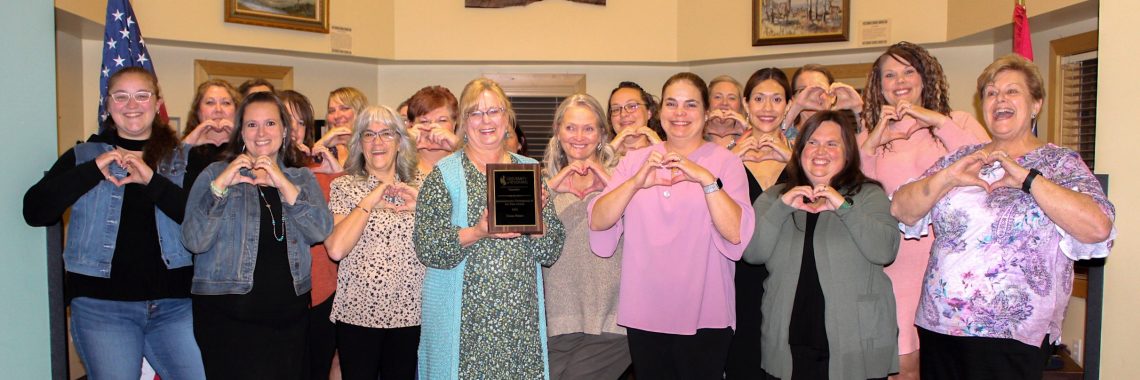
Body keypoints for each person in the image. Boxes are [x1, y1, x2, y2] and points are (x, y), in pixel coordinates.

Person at [891, 54, 1116, 380]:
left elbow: (1097, 227)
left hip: (1012, 332)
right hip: (941, 324)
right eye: (991, 93)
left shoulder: (1059, 163)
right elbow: (900, 208)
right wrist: (948, 177)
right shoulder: (960, 159)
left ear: (1036, 103)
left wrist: (1028, 180)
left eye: (1013, 92)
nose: (1000, 100)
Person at [23, 67, 206, 379]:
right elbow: (36, 211)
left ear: (157, 101)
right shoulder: (83, 155)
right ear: (107, 105)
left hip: (175, 308)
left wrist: (153, 182)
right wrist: (91, 170)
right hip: (102, 310)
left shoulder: (186, 158)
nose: (131, 104)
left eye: (142, 95)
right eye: (120, 96)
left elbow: (204, 223)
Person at [589, 72, 754, 379]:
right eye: (672, 104)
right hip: (646, 310)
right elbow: (599, 220)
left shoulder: (726, 163)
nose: (680, 113)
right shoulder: (635, 161)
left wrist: (705, 178)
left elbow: (735, 232)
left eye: (690, 104)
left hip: (706, 312)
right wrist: (637, 182)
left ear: (705, 112)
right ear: (659, 111)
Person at [413, 78, 566, 379]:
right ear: (463, 122)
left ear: (507, 118)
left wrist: (537, 221)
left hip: (518, 323)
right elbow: (427, 246)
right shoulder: (444, 175)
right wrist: (478, 231)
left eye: (493, 111)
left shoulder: (528, 170)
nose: (486, 121)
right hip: (464, 323)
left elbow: (552, 249)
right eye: (475, 113)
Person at [856, 41, 991, 380]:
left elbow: (983, 163)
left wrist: (932, 119)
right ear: (878, 84)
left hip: (953, 259)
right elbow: (859, 193)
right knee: (903, 362)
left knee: (950, 363)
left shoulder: (957, 121)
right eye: (889, 74)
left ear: (925, 77)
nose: (899, 81)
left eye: (908, 71)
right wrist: (873, 137)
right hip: (897, 262)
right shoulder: (869, 135)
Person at [183, 91, 334, 379]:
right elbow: (193, 240)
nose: (261, 133)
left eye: (270, 124)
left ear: (285, 130)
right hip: (226, 323)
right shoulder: (215, 173)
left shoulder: (302, 178)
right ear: (241, 132)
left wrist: (281, 181)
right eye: (252, 125)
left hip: (288, 322)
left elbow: (320, 231)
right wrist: (220, 187)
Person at [745, 110, 900, 380]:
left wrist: (843, 206)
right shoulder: (775, 197)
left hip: (855, 342)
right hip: (791, 343)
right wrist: (782, 208)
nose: (821, 151)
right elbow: (753, 254)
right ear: (800, 149)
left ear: (848, 153)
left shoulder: (868, 195)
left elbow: (885, 250)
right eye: (812, 142)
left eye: (832, 143)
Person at [325, 106, 423, 380]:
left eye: (386, 134)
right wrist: (371, 198)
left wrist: (420, 207)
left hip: (410, 313)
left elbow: (442, 241)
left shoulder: (422, 186)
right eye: (369, 134)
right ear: (359, 144)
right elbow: (336, 248)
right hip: (357, 313)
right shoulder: (344, 187)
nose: (377, 142)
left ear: (400, 142)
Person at [540, 94, 629, 379]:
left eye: (589, 128)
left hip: (613, 322)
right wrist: (552, 187)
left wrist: (610, 183)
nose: (579, 137)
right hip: (555, 321)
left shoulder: (626, 178)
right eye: (570, 127)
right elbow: (516, 234)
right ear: (558, 132)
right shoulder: (539, 183)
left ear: (602, 133)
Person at [724, 67, 794, 379]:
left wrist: (794, 163)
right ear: (745, 103)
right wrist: (730, 162)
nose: (767, 108)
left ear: (788, 105)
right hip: (739, 273)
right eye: (759, 99)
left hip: (792, 272)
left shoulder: (807, 155)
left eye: (776, 99)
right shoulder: (723, 154)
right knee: (744, 361)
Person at [280, 89, 344, 380]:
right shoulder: (256, 172)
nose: (294, 129)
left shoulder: (324, 170)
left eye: (301, 123)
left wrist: (337, 175)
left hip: (321, 293)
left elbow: (345, 228)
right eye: (285, 120)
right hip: (276, 297)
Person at [783, 64, 862, 142]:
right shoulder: (785, 137)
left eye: (820, 89)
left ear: (833, 97)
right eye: (803, 90)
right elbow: (774, 141)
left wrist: (859, 110)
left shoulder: (844, 138)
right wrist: (795, 109)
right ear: (793, 99)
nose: (812, 96)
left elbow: (864, 152)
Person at [182, 79, 239, 180]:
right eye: (210, 103)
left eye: (226, 103)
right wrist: (186, 145)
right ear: (198, 111)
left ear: (236, 111)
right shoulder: (182, 151)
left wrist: (241, 141)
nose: (218, 109)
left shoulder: (247, 148)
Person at [406, 85, 461, 175]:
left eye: (442, 120)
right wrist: (404, 144)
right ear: (411, 125)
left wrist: (458, 144)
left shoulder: (465, 163)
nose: (433, 127)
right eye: (424, 121)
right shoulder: (400, 165)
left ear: (454, 124)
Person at [606, 81, 664, 157]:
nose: (623, 114)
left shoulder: (669, 150)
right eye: (616, 109)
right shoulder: (596, 154)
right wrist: (608, 153)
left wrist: (662, 149)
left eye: (632, 106)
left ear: (649, 112)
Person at [322, 87, 370, 166]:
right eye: (331, 111)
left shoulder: (372, 148)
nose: (337, 116)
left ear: (360, 112)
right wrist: (322, 143)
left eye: (344, 109)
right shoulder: (322, 152)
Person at [705, 75, 750, 150]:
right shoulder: (694, 137)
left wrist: (748, 129)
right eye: (718, 97)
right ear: (707, 103)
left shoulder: (749, 138)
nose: (724, 103)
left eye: (731, 98)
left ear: (741, 105)